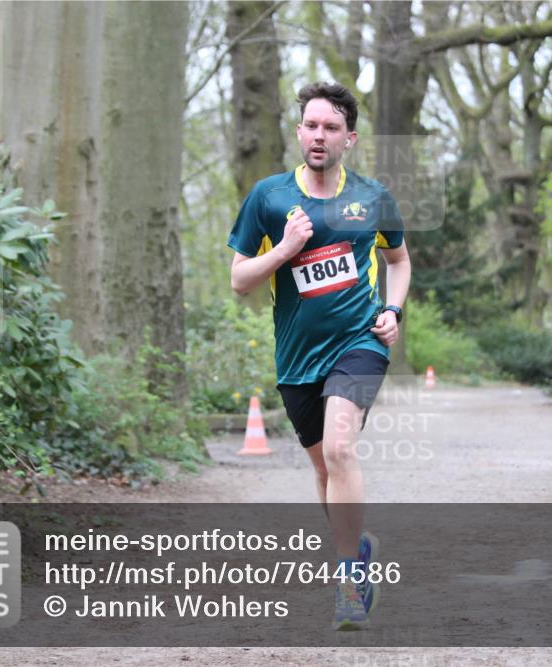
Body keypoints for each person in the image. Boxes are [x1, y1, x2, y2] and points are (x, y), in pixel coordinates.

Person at [227, 82, 411, 630]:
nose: (319, 135)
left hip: (359, 344)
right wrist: (284, 249)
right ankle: (356, 550)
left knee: (339, 448)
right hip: (297, 357)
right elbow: (239, 279)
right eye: (311, 125)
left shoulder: (373, 198)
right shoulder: (269, 197)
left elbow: (399, 261)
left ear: (349, 139)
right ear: (298, 132)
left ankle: (348, 580)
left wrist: (393, 310)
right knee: (323, 468)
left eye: (331, 127)